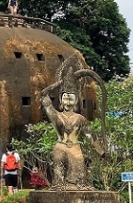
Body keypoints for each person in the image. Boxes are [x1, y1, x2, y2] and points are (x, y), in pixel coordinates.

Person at [41, 55, 104, 190]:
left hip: (75, 148)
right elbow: (44, 95)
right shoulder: (56, 115)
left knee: (81, 180)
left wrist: (101, 152)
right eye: (65, 98)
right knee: (59, 182)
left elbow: (91, 138)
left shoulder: (80, 119)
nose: (68, 101)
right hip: (60, 146)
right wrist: (58, 84)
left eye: (71, 99)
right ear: (61, 100)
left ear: (76, 101)